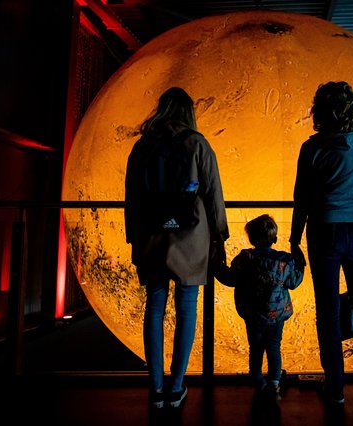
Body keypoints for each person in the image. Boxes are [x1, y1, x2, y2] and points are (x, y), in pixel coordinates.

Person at [288, 81, 353, 406]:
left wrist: (294, 239)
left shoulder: (313, 148)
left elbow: (302, 199)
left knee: (328, 310)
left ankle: (335, 388)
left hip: (324, 229)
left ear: (319, 112)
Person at [124, 87, 229, 409]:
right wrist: (219, 237)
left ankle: (155, 387)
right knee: (187, 309)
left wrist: (133, 237)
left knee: (154, 308)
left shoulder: (143, 147)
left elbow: (132, 195)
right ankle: (177, 384)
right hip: (191, 237)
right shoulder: (197, 144)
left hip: (152, 236)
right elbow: (212, 194)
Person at [215, 214, 304, 401]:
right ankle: (274, 384)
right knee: (274, 346)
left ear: (252, 239)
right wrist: (300, 263)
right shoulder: (284, 261)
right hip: (277, 315)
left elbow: (229, 278)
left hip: (252, 314)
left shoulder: (245, 259)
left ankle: (258, 382)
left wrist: (216, 264)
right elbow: (294, 282)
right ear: (275, 238)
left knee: (255, 348)